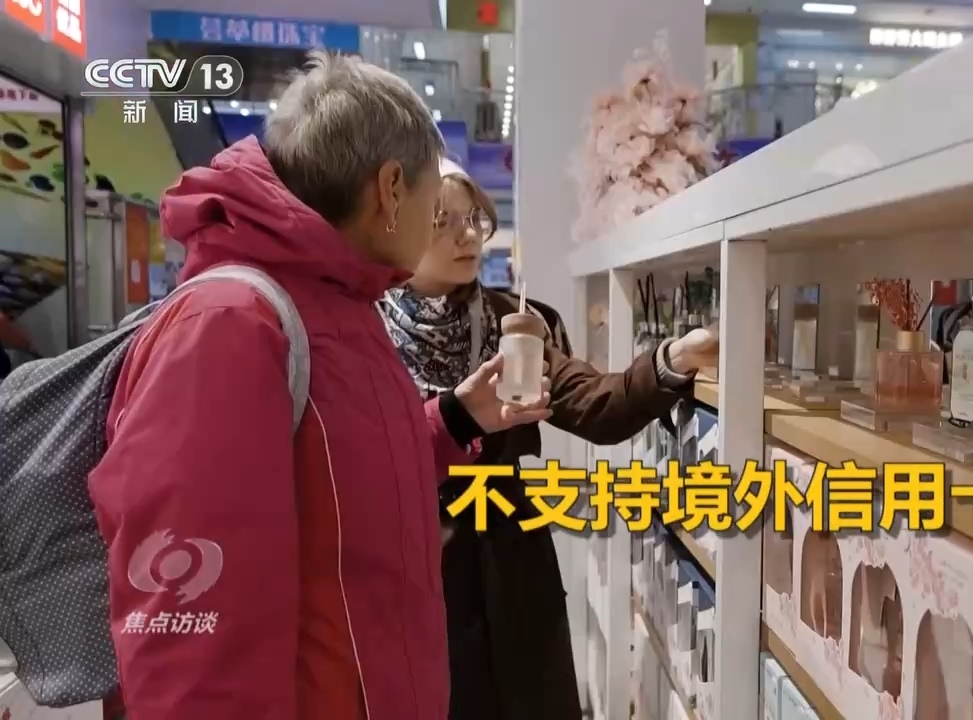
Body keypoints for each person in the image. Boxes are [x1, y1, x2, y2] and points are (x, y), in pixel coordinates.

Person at [87, 52, 549, 720]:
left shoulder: (342, 305)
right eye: (435, 204)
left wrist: (454, 419)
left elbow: (337, 484)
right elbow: (189, 633)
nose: (444, 227)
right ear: (391, 188)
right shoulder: (229, 327)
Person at [377, 159, 718, 720]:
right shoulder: (365, 331)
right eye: (442, 222)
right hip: (414, 574)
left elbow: (596, 405)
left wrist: (674, 359)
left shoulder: (513, 321)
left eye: (473, 219)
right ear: (402, 223)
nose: (467, 236)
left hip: (513, 570)